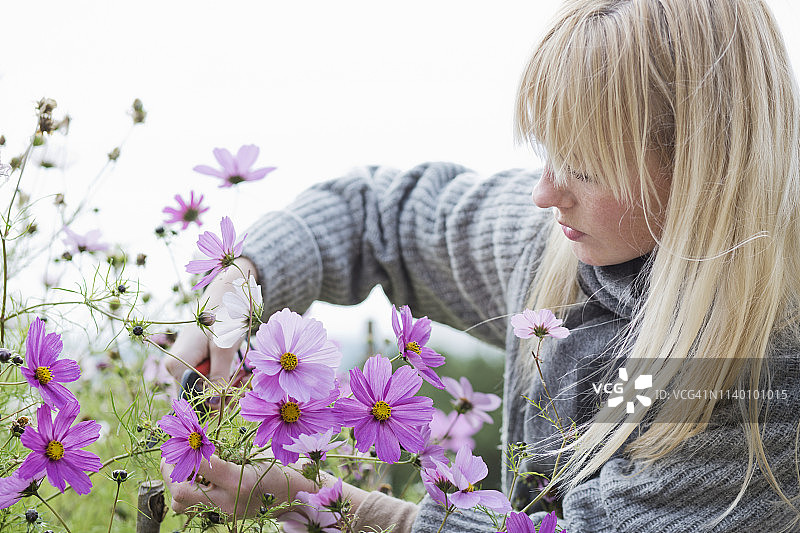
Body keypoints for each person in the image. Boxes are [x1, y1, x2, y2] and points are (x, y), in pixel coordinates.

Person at [162, 0, 800, 531]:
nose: (545, 193)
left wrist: (339, 506)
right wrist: (243, 280)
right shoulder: (559, 241)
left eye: (588, 166)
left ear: (702, 167)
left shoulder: (762, 370)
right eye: (550, 150)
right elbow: (379, 214)